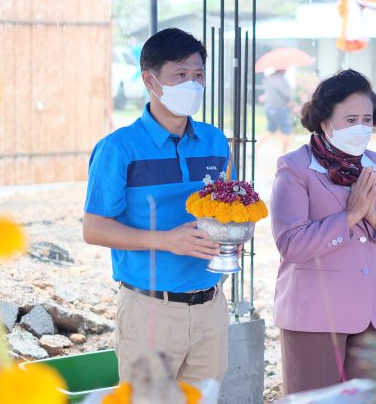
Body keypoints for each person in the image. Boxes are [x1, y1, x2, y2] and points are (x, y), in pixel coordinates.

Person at [83, 28, 231, 383]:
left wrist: (234, 234)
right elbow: (94, 228)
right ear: (150, 80)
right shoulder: (119, 148)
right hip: (150, 310)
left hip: (211, 307)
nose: (192, 85)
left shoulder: (215, 141)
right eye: (180, 75)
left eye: (198, 75)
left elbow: (230, 206)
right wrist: (166, 240)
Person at [270, 69, 376, 394]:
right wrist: (349, 217)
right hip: (314, 314)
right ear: (325, 121)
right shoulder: (295, 168)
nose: (361, 127)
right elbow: (290, 244)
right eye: (350, 119)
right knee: (315, 400)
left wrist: (374, 215)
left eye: (367, 119)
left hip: (373, 315)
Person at [258, 69, 293, 155]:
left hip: (269, 107)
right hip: (279, 108)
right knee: (286, 131)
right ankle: (284, 154)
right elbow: (287, 94)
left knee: (271, 129)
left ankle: (255, 148)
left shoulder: (268, 79)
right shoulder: (280, 80)